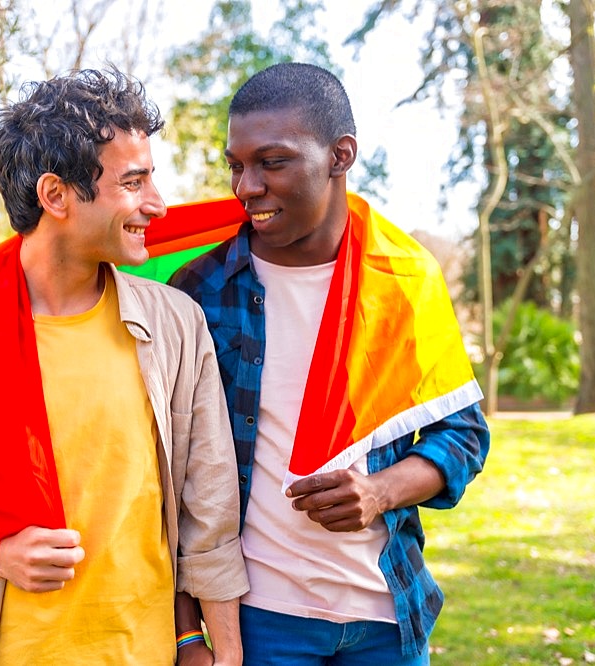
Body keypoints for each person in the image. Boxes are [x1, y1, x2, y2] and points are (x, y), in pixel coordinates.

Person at [169, 62, 490, 665]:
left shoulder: (402, 281)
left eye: (272, 161)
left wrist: (379, 491)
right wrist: (188, 634)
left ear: (340, 155)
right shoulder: (201, 290)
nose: (245, 186)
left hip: (386, 618)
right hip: (260, 620)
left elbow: (464, 433)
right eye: (236, 165)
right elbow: (169, 474)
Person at [0, 69, 248, 665]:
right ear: (56, 196)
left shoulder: (177, 323)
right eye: (133, 182)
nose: (157, 204)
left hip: (145, 652)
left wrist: (218, 647)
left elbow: (209, 503)